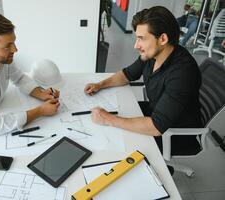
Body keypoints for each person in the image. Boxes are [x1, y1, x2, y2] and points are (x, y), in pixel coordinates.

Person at [84, 6, 202, 156]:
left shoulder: (183, 72)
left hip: (174, 134)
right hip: (154, 112)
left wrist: (109, 119)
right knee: (108, 129)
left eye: (142, 38)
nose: (136, 45)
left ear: (163, 39)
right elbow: (127, 74)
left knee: (114, 148)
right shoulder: (151, 55)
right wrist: (100, 85)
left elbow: (156, 127)